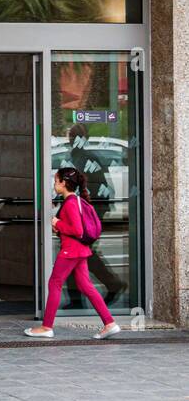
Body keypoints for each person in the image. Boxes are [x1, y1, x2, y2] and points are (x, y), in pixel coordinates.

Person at [25, 167, 120, 340]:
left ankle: (47, 327)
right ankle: (109, 323)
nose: (54, 184)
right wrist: (60, 227)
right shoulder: (75, 200)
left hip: (71, 251)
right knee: (86, 286)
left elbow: (77, 229)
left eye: (56, 181)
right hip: (80, 250)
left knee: (55, 283)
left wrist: (58, 223)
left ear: (63, 183)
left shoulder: (70, 204)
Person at [65, 123, 126, 306]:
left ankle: (110, 285)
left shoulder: (84, 158)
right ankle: (79, 297)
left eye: (73, 136)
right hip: (89, 210)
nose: (71, 140)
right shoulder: (79, 157)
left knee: (78, 252)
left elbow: (91, 187)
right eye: (71, 136)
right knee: (77, 252)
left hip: (89, 212)